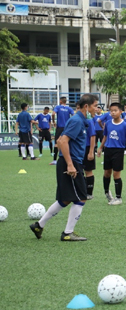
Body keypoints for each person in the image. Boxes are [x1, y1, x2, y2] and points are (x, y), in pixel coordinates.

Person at [30, 93, 99, 242]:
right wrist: (70, 164)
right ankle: (68, 233)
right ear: (86, 106)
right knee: (81, 198)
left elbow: (61, 139)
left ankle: (38, 225)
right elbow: (62, 142)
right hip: (71, 163)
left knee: (65, 200)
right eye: (95, 106)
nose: (97, 109)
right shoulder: (76, 121)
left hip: (71, 162)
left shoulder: (81, 120)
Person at [97, 103, 126, 205]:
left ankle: (118, 198)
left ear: (120, 112)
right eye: (111, 110)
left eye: (115, 110)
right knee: (106, 173)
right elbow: (105, 136)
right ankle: (107, 192)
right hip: (108, 150)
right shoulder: (108, 123)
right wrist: (100, 148)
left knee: (116, 174)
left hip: (118, 151)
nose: (113, 112)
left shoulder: (125, 125)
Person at [80, 103, 96, 200]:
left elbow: (92, 136)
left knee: (88, 171)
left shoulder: (89, 121)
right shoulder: (75, 121)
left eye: (79, 108)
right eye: (77, 108)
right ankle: (81, 192)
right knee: (78, 171)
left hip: (87, 148)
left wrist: (91, 152)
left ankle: (89, 193)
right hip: (78, 149)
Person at [51, 96, 72, 164]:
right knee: (67, 142)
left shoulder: (58, 107)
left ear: (60, 101)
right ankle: (68, 159)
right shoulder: (69, 108)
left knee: (57, 143)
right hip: (67, 127)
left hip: (60, 127)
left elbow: (53, 114)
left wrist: (54, 121)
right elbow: (74, 115)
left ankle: (55, 160)